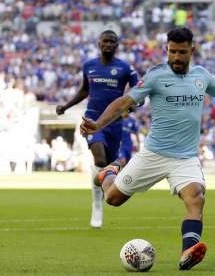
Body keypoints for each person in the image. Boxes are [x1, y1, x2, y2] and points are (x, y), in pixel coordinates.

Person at [80, 27, 215, 270]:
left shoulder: (201, 76)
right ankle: (109, 173)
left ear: (191, 50)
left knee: (196, 197)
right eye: (172, 52)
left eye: (182, 52)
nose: (176, 58)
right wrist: (98, 124)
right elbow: (124, 102)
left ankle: (187, 254)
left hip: (185, 158)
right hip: (153, 154)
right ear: (166, 50)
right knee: (112, 199)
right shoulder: (155, 76)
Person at [56, 30, 139, 228]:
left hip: (114, 122)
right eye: (105, 41)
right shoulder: (89, 66)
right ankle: (97, 203)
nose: (108, 44)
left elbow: (138, 90)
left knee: (109, 164)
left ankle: (102, 191)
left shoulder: (125, 68)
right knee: (99, 159)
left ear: (117, 45)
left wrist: (134, 103)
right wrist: (66, 106)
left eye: (112, 42)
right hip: (92, 120)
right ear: (99, 43)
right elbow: (84, 90)